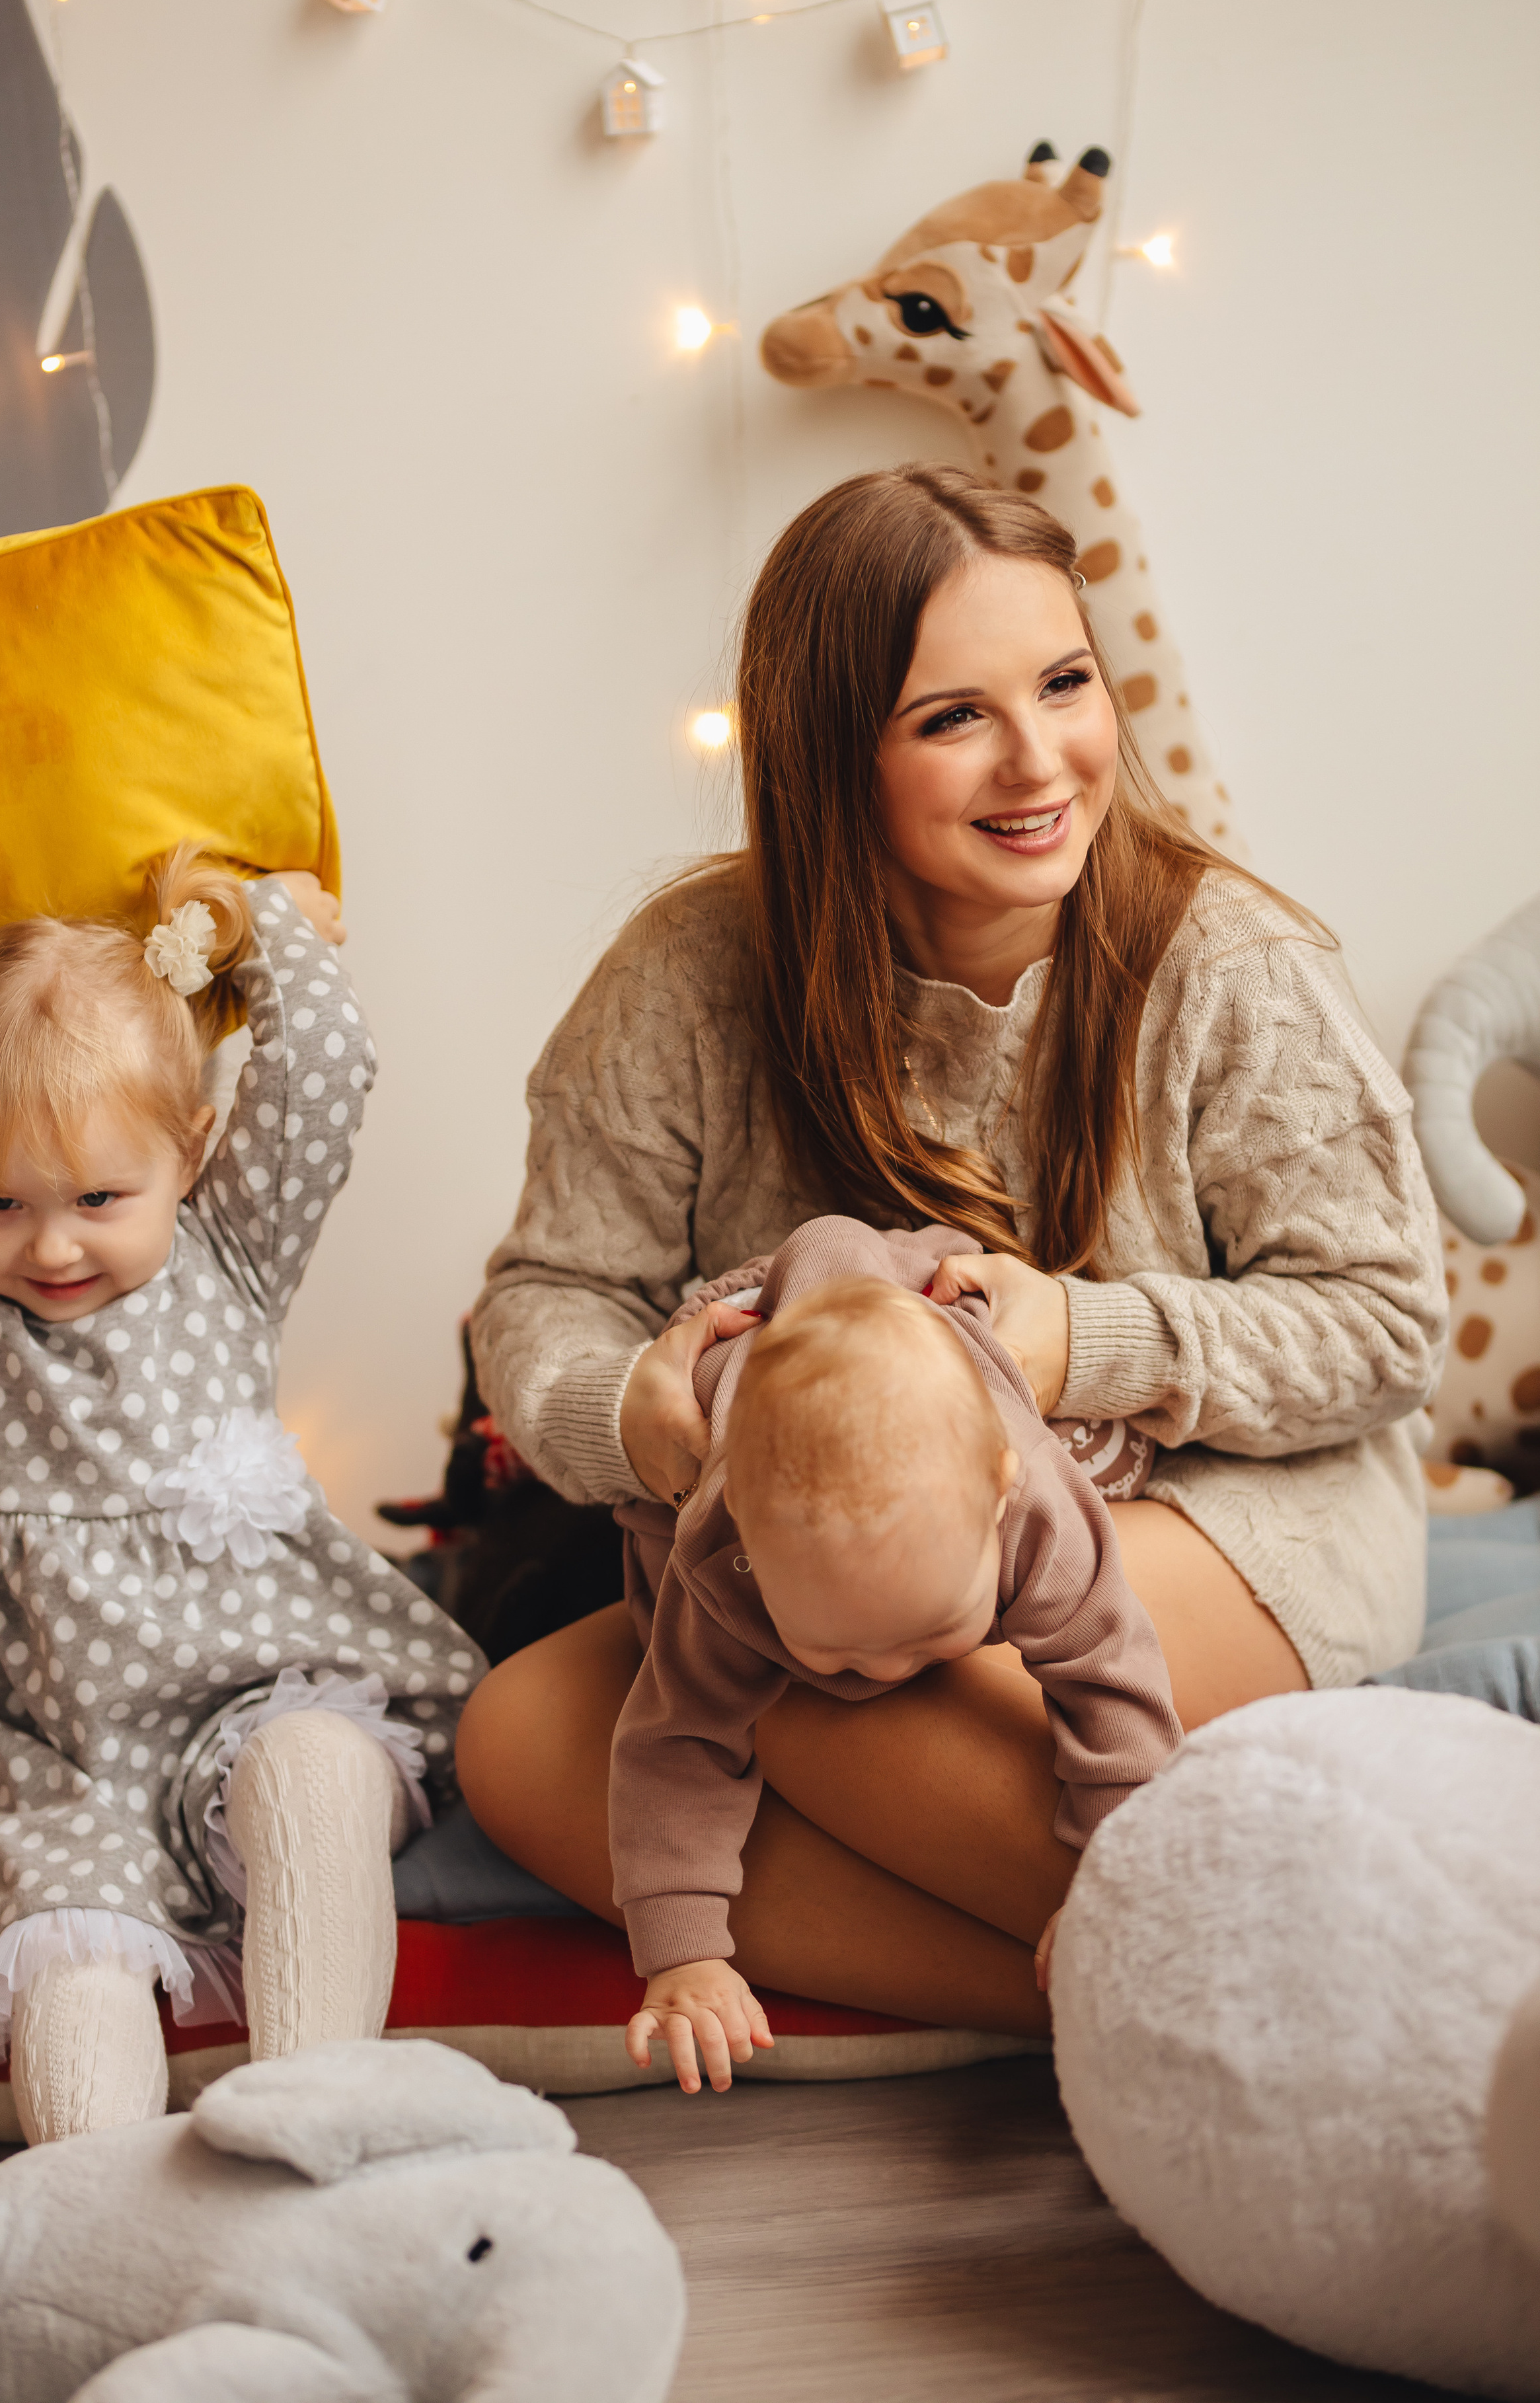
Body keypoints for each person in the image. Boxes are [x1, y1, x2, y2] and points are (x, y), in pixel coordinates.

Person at [457, 467, 1447, 2047]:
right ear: (827, 756)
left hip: (1217, 1501)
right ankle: (1085, 1990)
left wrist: (1081, 1342)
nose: (1038, 758)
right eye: (950, 719)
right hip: (829, 1528)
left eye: (1062, 684)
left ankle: (1267, 1992)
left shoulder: (1226, 967)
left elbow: (1386, 1326)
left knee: (822, 1664)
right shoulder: (685, 979)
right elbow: (549, 1293)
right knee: (519, 1734)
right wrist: (627, 1416)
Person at [0, 854, 483, 2141]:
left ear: (188, 1154)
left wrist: (270, 931)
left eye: (97, 1197)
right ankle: (105, 2219)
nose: (54, 1243)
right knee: (68, 1969)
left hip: (258, 1692)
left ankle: (311, 2126)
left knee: (308, 1777)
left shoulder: (229, 1244)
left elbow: (320, 1078)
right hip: (51, 1766)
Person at [612, 1220, 1182, 2092]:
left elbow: (1113, 1680)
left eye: (928, 1634)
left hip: (934, 1301)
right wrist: (682, 1955)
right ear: (753, 1557)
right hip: (734, 1351)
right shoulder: (720, 1556)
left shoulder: (1035, 1506)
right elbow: (676, 1737)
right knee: (636, 1624)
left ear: (1000, 1494)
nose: (879, 1677)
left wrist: (1120, 1863)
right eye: (833, 1647)